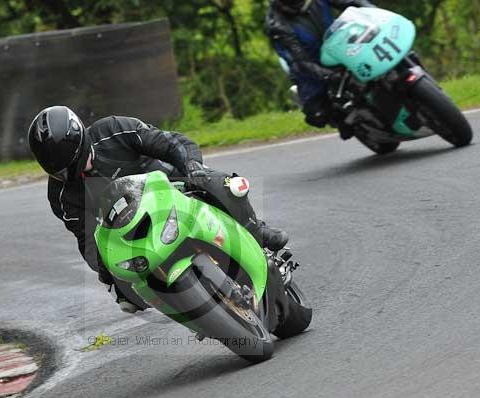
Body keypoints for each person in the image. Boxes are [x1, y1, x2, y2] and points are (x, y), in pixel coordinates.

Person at [28, 105, 289, 313]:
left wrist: (191, 165)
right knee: (123, 290)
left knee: (222, 184)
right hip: (135, 231)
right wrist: (110, 277)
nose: (70, 174)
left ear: (82, 140)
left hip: (177, 189)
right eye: (60, 172)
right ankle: (188, 308)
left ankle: (258, 234)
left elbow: (170, 142)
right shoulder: (61, 196)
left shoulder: (114, 129)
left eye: (72, 164)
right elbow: (87, 238)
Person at [266, 0, 375, 137]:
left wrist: (373, 10)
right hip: (312, 65)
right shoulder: (277, 25)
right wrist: (329, 75)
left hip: (340, 43)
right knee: (318, 114)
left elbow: (351, 1)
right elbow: (301, 62)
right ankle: (346, 121)